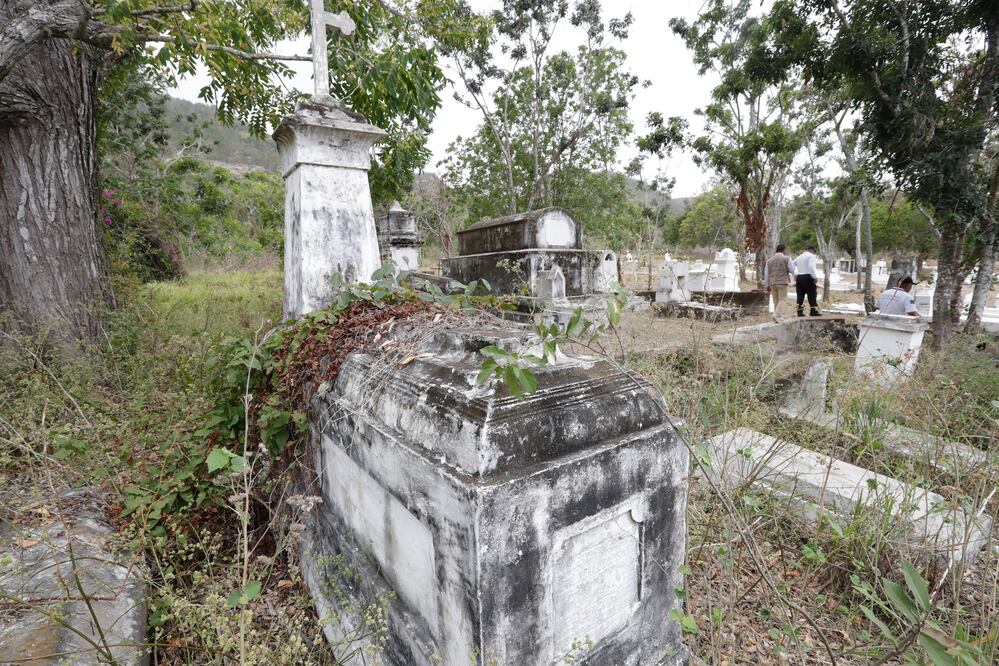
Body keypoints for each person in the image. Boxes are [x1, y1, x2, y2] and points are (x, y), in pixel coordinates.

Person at [764, 244, 796, 322]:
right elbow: (792, 269)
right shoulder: (787, 258)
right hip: (782, 282)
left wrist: (767, 285)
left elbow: (766, 274)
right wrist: (795, 276)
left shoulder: (769, 260)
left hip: (772, 283)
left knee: (776, 301)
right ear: (784, 250)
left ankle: (777, 318)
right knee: (783, 299)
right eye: (786, 250)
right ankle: (776, 315)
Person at [794, 244, 821, 317]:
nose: (814, 253)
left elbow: (793, 264)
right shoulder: (811, 256)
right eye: (814, 252)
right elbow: (811, 266)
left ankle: (799, 312)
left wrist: (795, 274)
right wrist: (814, 277)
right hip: (808, 276)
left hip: (799, 277)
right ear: (811, 250)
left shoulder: (799, 256)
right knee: (812, 294)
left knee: (800, 295)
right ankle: (813, 311)